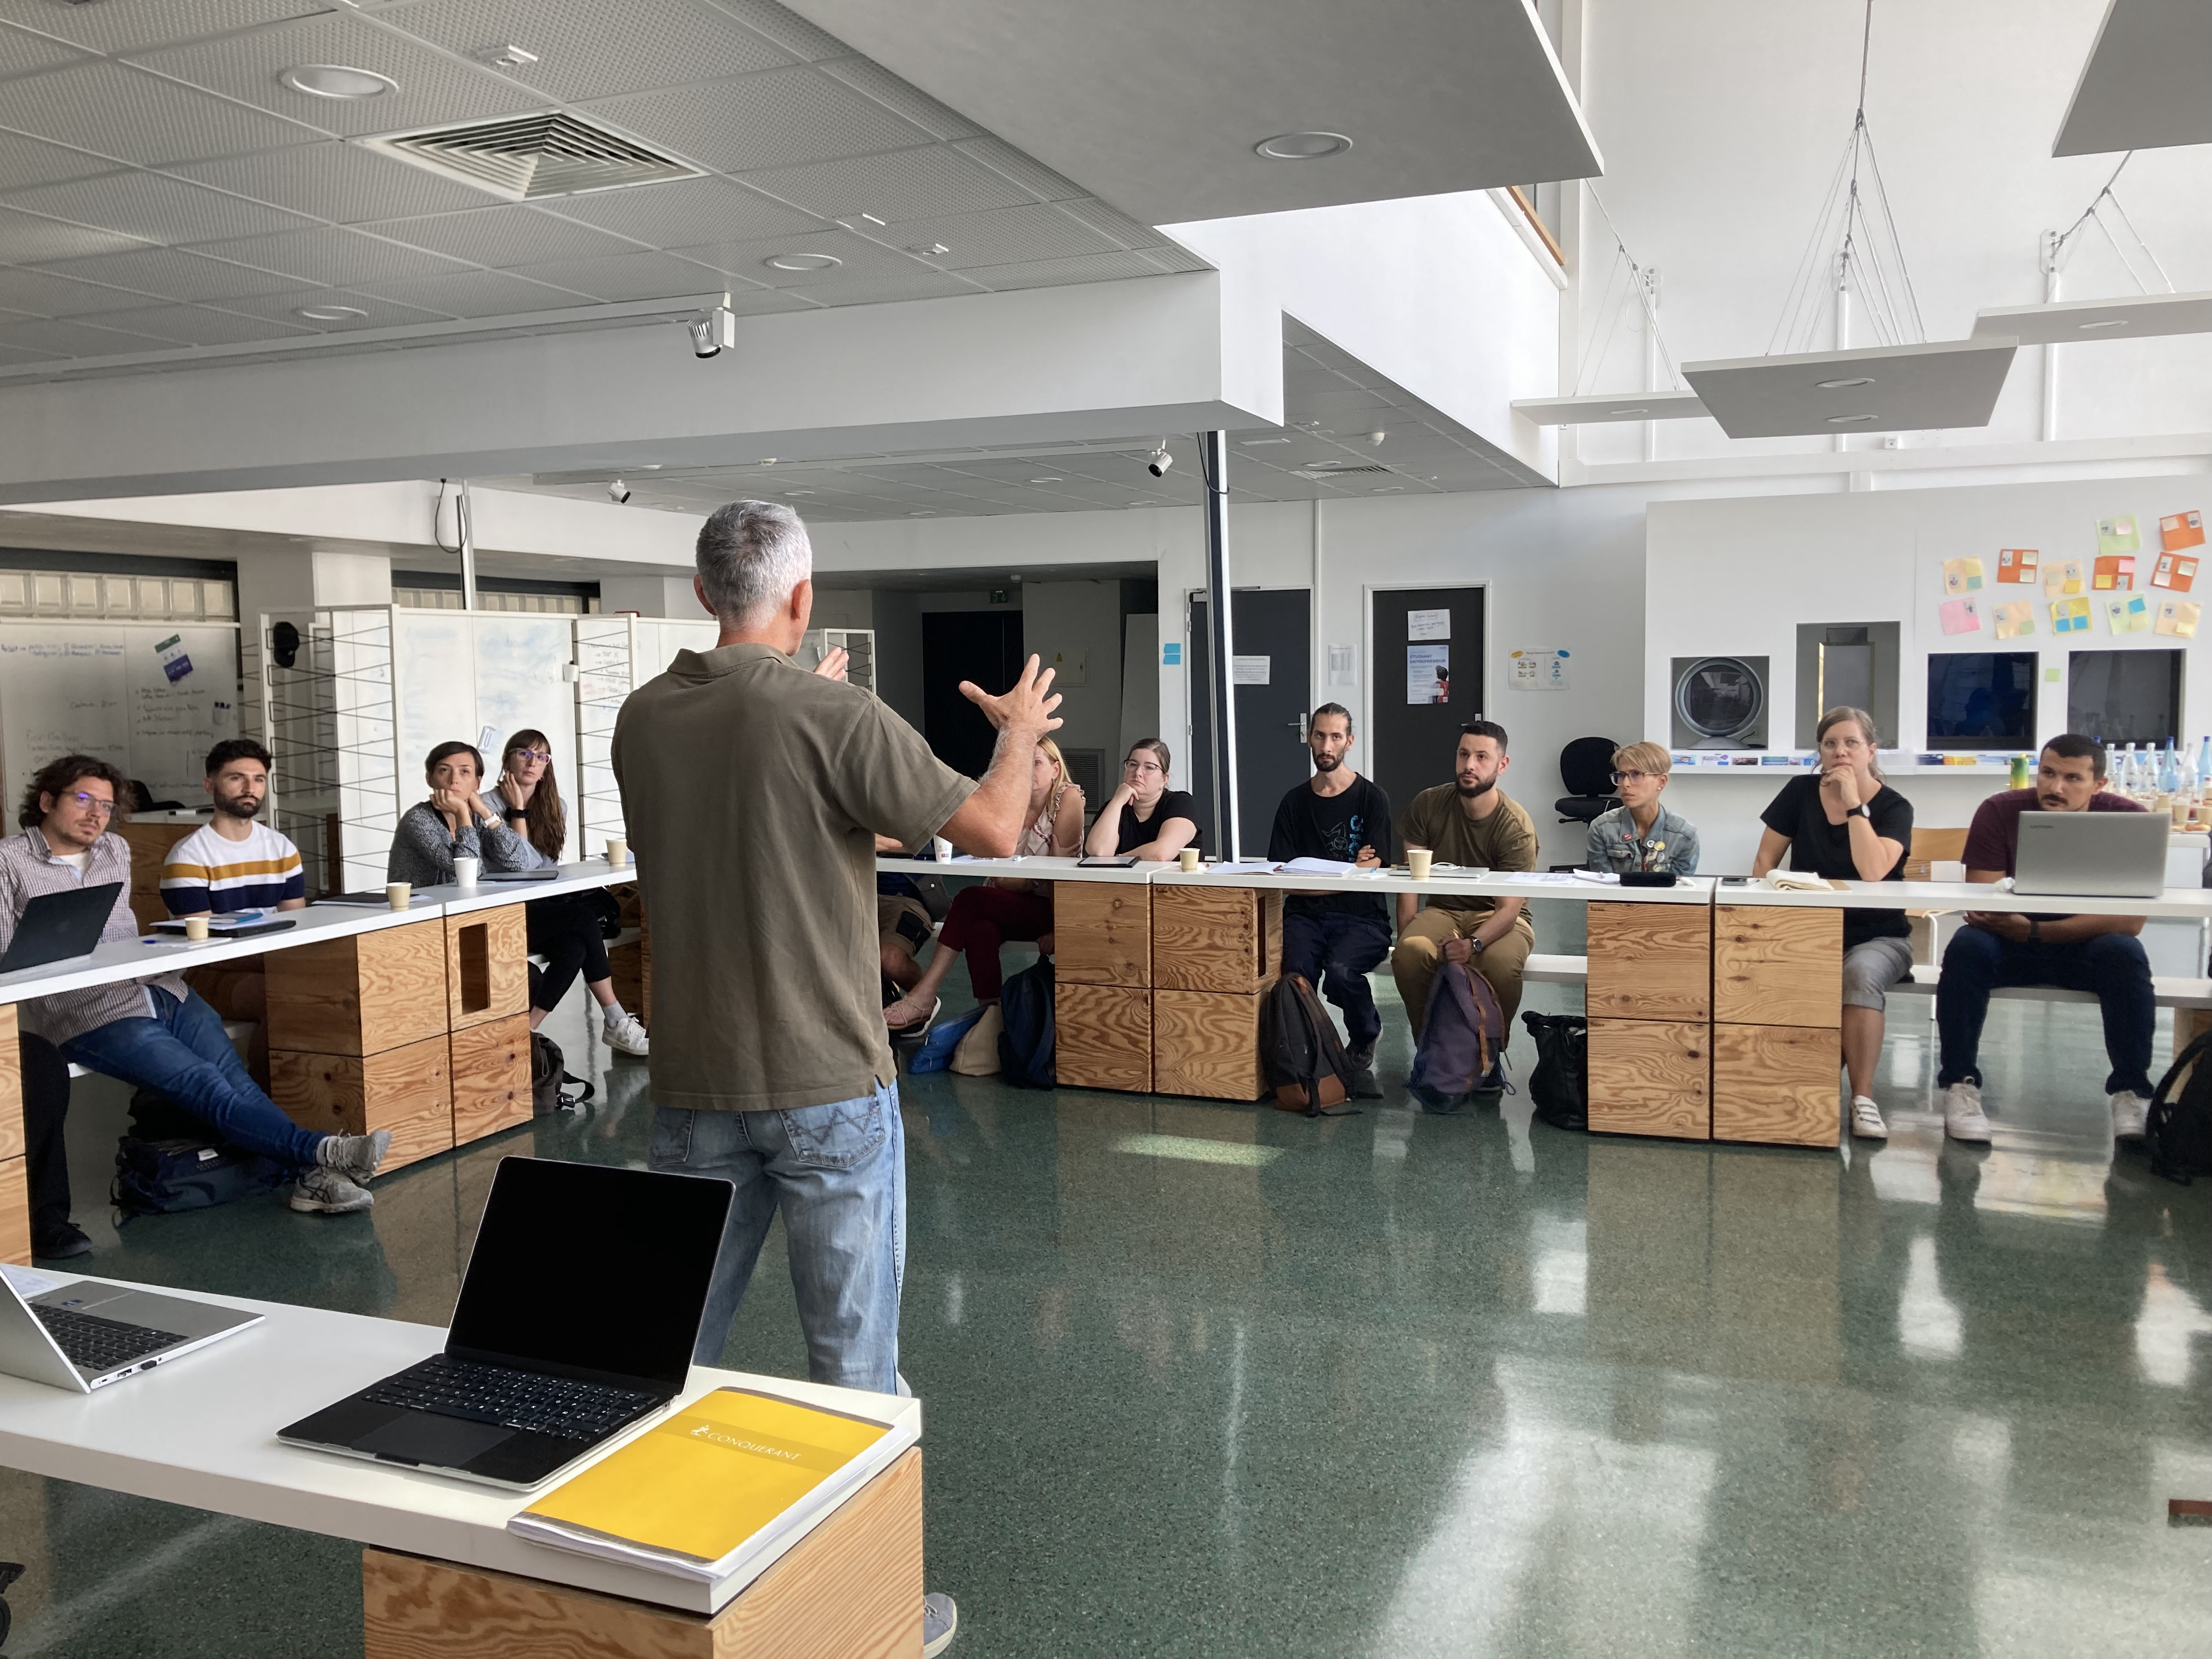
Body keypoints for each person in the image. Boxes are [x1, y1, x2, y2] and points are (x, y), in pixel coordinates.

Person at [613, 500, 1059, 1657]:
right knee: (851, 1374)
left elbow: (742, 792)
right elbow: (1001, 828)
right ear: (803, 599)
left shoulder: (640, 718)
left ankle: (646, 1582)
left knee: (666, 1360)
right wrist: (1014, 731)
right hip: (823, 1087)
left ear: (705, 592)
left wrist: (812, 690)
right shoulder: (832, 711)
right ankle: (863, 1615)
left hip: (693, 1085)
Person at [3, 755, 389, 1220]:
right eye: (83, 800)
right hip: (88, 1008)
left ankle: (312, 1178)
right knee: (204, 1085)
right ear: (47, 801)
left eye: (106, 806)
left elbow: (121, 930)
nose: (96, 815)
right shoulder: (9, 862)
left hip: (160, 988)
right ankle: (326, 1154)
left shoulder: (115, 851)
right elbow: (8, 959)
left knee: (236, 1083)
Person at [1934, 733, 2154, 1146]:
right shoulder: (2000, 810)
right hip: (2008, 941)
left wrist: (2036, 929)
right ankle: (1959, 1085)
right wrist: (2021, 928)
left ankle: (2132, 1091)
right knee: (1968, 946)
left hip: (2082, 947)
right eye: (2049, 774)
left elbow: (2130, 921)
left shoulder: (2128, 819)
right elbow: (1984, 903)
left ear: (2099, 785)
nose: (2056, 788)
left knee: (2125, 953)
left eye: (2073, 778)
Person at [1752, 707, 1914, 1141]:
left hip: (1878, 937)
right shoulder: (1800, 791)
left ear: (1871, 751)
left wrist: (1855, 805)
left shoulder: (1896, 806)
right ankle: (1789, 1084)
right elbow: (1766, 860)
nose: (1840, 752)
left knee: (1859, 975)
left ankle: (1862, 1098)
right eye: (1830, 744)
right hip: (1808, 933)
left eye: (1851, 743)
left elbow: (1874, 870)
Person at [881, 740, 1083, 1030]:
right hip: (1008, 902)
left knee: (971, 899)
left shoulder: (1068, 796)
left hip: (1055, 907)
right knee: (980, 931)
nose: (1028, 772)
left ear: (1055, 769)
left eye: (1036, 763)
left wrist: (1056, 926)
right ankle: (993, 1020)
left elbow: (1061, 873)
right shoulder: (1012, 804)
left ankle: (924, 995)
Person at [483, 729, 649, 1056]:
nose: (532, 763)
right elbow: (522, 868)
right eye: (524, 754)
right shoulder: (488, 806)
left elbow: (543, 870)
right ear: (507, 760)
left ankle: (527, 1030)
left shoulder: (555, 805)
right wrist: (517, 812)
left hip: (539, 908)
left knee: (574, 947)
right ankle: (615, 1019)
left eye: (541, 757)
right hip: (503, 913)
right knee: (581, 918)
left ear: (548, 767)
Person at [158, 738, 307, 1083]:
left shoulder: (282, 848)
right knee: (282, 996)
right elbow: (204, 947)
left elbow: (297, 925)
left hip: (267, 963)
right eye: (236, 778)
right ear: (210, 785)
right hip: (202, 975)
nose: (249, 788)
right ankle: (265, 1103)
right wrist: (278, 964)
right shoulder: (189, 856)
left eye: (258, 779)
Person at [1391, 722, 1538, 1060]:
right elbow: (1411, 885)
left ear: (1502, 766)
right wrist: (1406, 937)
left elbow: (1509, 909)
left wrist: (1473, 944)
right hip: (1442, 911)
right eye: (1463, 754)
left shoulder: (1515, 827)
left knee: (1501, 963)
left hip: (1498, 914)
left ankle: (1491, 1053)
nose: (1469, 765)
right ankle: (1431, 1047)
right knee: (1410, 953)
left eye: (1482, 757)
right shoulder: (1427, 804)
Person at [1267, 704, 1393, 1071]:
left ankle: (1365, 1033)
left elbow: (1374, 867)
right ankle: (1310, 1046)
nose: (1327, 744)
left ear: (1349, 742)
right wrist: (1348, 872)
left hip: (1363, 918)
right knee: (1296, 974)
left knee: (1340, 971)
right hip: (1304, 917)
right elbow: (1283, 877)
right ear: (1309, 738)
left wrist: (1325, 878)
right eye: (1320, 735)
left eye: (1336, 737)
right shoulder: (1293, 803)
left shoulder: (1372, 799)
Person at [385, 740, 540, 890]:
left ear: (476, 783)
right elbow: (469, 874)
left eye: (465, 772)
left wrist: (486, 813)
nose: (454, 780)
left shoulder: (476, 818)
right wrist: (461, 813)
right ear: (429, 779)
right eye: (444, 770)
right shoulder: (418, 820)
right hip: (420, 913)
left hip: (460, 908)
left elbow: (518, 862)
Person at [1585, 743, 1701, 874]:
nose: (1625, 784)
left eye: (1636, 774)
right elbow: (1604, 889)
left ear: (1661, 782)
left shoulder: (1684, 835)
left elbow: (1677, 892)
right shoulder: (1602, 828)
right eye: (1621, 775)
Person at [1084, 738, 1199, 860]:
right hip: (1123, 879)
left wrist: (1118, 860)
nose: (1138, 772)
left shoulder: (1181, 804)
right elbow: (1099, 852)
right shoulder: (1114, 808)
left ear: (1164, 779)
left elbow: (1161, 853)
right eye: (1133, 764)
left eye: (1149, 767)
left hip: (1173, 879)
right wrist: (1117, 801)